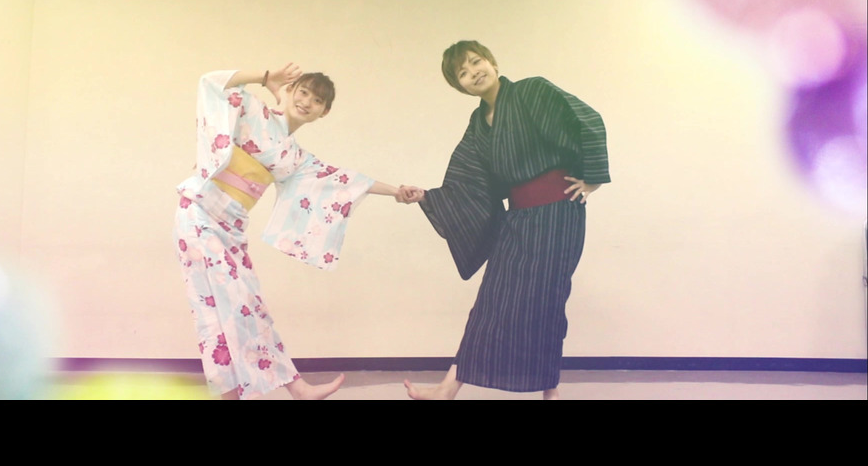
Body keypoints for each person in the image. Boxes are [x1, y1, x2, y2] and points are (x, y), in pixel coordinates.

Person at [173, 63, 404, 400]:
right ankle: (283, 390)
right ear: (291, 90)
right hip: (199, 213)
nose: (307, 101)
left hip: (232, 226)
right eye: (303, 92)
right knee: (229, 306)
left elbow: (343, 180)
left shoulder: (295, 157)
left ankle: (265, 391)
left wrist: (397, 191)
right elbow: (211, 83)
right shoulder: (255, 111)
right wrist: (264, 78)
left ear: (324, 112)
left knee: (239, 307)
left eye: (318, 100)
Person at [399, 40, 610, 400]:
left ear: (492, 62)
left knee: (545, 301)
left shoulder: (532, 91)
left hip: (558, 215)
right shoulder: (478, 122)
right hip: (518, 218)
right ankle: (447, 389)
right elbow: (468, 181)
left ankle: (550, 393)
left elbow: (587, 120)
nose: (473, 73)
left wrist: (593, 179)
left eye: (476, 62)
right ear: (460, 86)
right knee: (492, 300)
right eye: (462, 73)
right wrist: (427, 196)